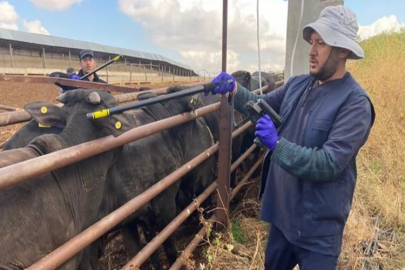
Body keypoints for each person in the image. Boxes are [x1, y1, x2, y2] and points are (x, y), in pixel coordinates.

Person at [210, 5, 375, 270]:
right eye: (312, 42)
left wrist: (278, 145)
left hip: (318, 230)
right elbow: (260, 103)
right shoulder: (299, 84)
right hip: (282, 217)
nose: (311, 51)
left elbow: (329, 163)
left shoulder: (355, 104)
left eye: (321, 43)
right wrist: (235, 90)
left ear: (343, 50)